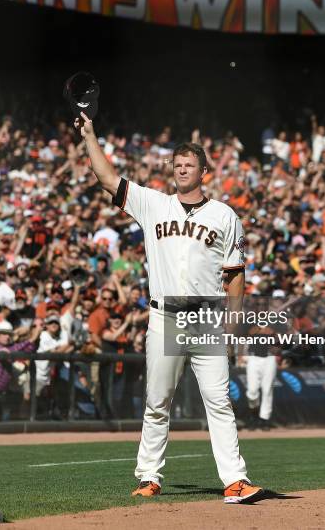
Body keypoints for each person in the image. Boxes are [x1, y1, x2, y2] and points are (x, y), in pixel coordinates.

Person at [74, 110, 264, 504]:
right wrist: (90, 135)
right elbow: (107, 178)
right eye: (177, 164)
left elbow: (235, 274)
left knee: (219, 401)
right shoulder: (153, 205)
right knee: (157, 400)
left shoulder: (225, 216)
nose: (181, 169)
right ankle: (149, 476)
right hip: (165, 315)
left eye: (189, 164)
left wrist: (233, 321)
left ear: (204, 171)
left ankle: (235, 480)